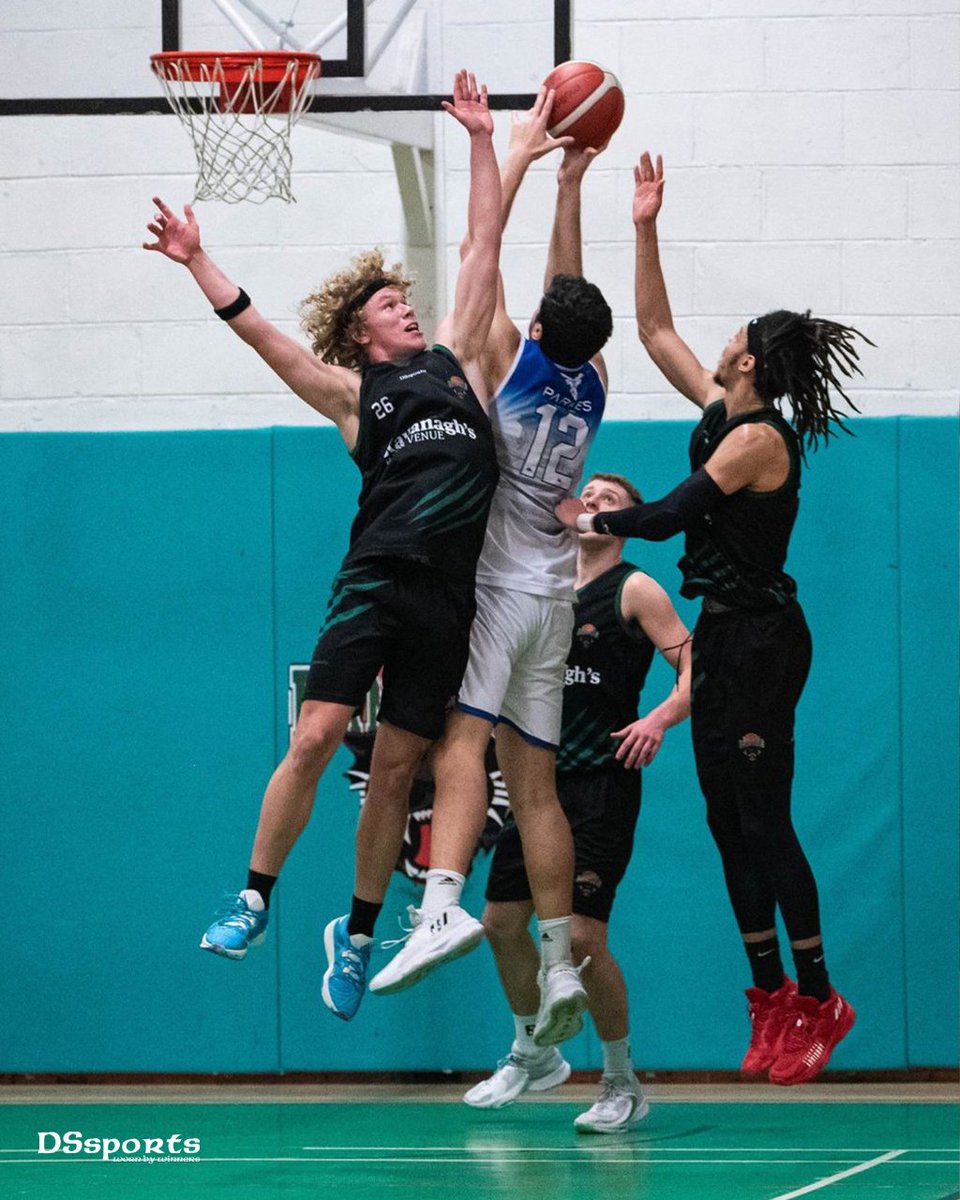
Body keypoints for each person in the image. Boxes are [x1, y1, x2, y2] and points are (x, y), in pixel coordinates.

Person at [143, 72, 503, 1022]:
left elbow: (483, 247)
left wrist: (478, 139)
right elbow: (265, 338)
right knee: (314, 738)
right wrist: (195, 259)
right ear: (360, 329)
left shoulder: (455, 363)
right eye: (391, 305)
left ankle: (355, 931)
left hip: (449, 599)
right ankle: (253, 897)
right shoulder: (355, 396)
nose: (409, 309)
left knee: (394, 769)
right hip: (375, 583)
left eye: (408, 301)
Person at [557, 152, 873, 1086]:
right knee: (726, 822)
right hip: (726, 636)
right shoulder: (718, 404)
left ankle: (820, 996)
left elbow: (664, 516)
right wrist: (646, 222)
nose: (723, 338)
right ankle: (769, 995)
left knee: (766, 818)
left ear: (751, 358)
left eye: (735, 334)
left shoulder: (757, 437)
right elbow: (653, 327)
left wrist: (590, 516)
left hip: (768, 638)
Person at [365, 92, 615, 1048]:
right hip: (559, 592)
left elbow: (486, 260)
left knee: (457, 749)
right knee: (538, 786)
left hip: (501, 588)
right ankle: (556, 966)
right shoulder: (592, 380)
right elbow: (571, 288)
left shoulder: (511, 358)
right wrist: (573, 185)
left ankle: (440, 904)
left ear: (543, 331)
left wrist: (510, 158)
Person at [464, 471, 692, 1133]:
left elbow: (692, 666)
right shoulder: (536, 586)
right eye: (586, 496)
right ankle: (535, 1051)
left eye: (609, 500)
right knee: (502, 925)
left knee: (585, 936)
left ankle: (623, 1080)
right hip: (535, 781)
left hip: (599, 782)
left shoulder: (635, 589)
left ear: (630, 520)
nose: (592, 503)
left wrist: (658, 719)